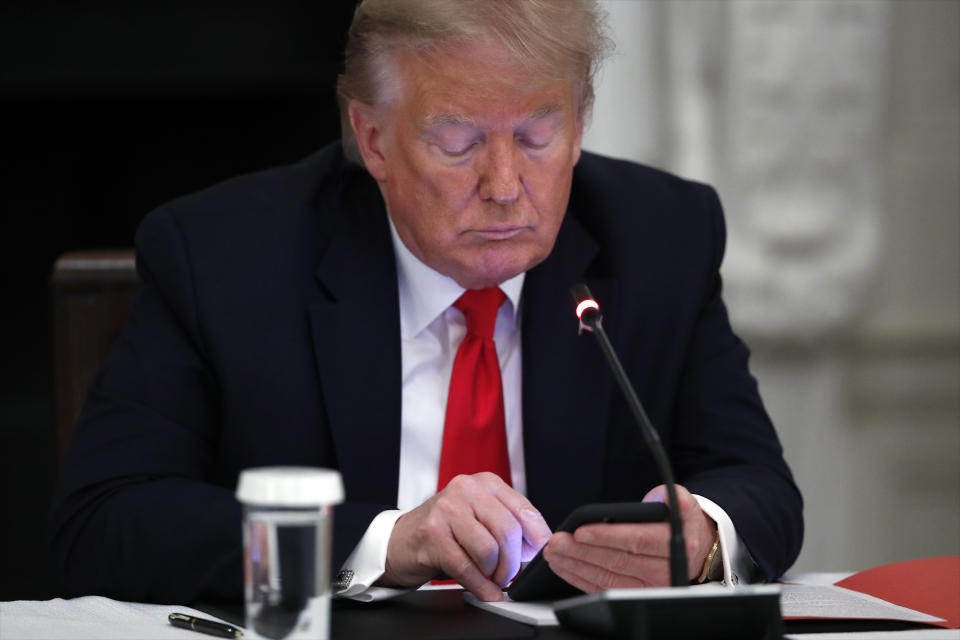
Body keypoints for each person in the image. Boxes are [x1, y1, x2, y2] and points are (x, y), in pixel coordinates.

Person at [49, 0, 802, 605]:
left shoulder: (662, 240)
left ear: (579, 126)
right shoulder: (223, 257)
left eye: (539, 135)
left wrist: (703, 535)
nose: (506, 184)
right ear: (371, 137)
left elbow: (758, 484)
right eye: (458, 141)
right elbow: (103, 521)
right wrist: (384, 542)